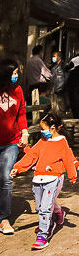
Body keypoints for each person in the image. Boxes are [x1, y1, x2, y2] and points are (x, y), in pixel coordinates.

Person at [10, 112, 79, 250]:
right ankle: (57, 215)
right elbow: (32, 155)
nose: (42, 131)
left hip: (54, 178)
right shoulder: (42, 141)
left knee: (45, 208)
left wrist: (72, 174)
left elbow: (68, 158)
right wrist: (18, 168)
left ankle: (44, 233)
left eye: (43, 128)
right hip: (38, 178)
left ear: (53, 128)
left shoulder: (62, 142)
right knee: (39, 207)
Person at [0, 59, 28, 235]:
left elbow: (22, 112)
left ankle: (3, 218)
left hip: (11, 142)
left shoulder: (18, 90)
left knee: (5, 177)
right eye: (14, 73)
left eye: (17, 73)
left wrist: (25, 132)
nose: (16, 76)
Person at [48, 50, 68, 115]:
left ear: (59, 57)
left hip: (61, 89)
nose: (53, 58)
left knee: (62, 106)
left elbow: (66, 77)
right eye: (52, 56)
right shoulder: (53, 66)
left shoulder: (64, 65)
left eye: (54, 56)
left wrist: (63, 87)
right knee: (55, 107)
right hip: (54, 89)